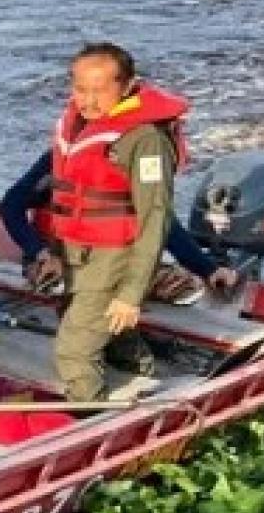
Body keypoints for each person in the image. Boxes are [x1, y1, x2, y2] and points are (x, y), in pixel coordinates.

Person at [27, 44, 187, 402]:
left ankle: (89, 419)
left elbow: (155, 216)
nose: (88, 100)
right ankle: (146, 373)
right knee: (98, 324)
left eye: (100, 91)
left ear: (127, 86)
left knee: (74, 349)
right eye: (81, 89)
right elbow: (61, 199)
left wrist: (131, 294)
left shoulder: (145, 140)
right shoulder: (78, 125)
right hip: (75, 252)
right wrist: (51, 252)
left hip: (114, 257)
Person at [0, 154, 241, 305]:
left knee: (183, 285)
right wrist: (40, 252)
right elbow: (10, 207)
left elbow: (164, 225)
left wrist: (208, 269)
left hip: (110, 262)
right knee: (59, 281)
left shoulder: (135, 168)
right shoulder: (58, 161)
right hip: (56, 260)